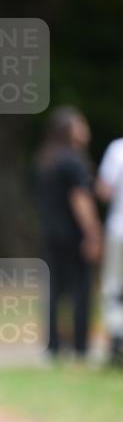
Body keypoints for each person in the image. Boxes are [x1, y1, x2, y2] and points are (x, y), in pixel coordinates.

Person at [33, 106, 102, 360]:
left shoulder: (45, 160)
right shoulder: (74, 161)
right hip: (74, 235)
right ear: (69, 131)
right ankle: (81, 347)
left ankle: (52, 347)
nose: (86, 130)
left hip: (50, 233)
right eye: (81, 125)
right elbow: (80, 199)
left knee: (53, 291)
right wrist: (93, 232)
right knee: (81, 290)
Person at [95, 137, 123, 367]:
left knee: (113, 286)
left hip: (118, 229)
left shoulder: (117, 149)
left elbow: (104, 190)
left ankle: (116, 340)